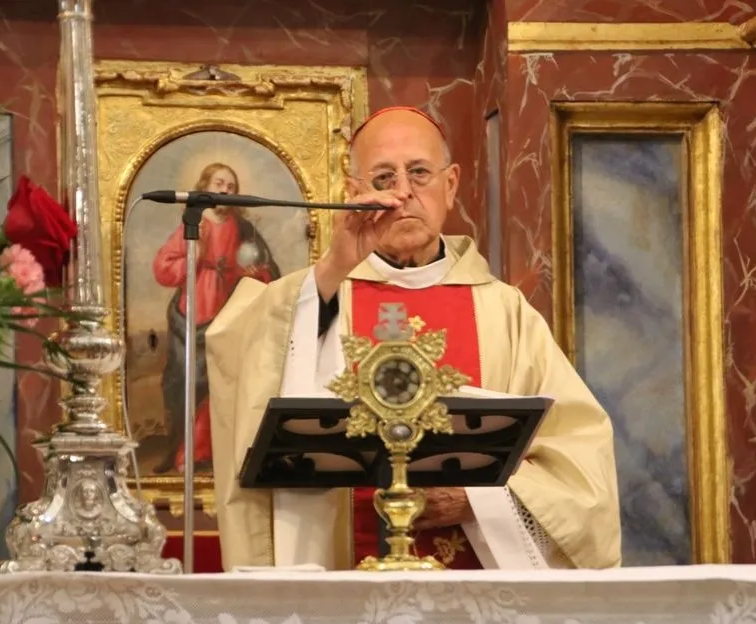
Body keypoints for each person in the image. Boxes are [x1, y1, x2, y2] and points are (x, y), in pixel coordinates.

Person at [204, 107, 621, 571]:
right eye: (383, 178)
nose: (403, 192)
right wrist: (330, 271)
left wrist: (479, 500)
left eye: (419, 172)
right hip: (343, 577)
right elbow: (240, 362)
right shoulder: (315, 295)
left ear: (451, 184)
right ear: (353, 193)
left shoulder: (505, 312)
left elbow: (579, 458)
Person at [151, 162, 280, 474]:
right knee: (184, 383)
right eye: (219, 184)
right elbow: (163, 267)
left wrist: (256, 274)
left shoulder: (244, 229)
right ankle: (180, 451)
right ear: (204, 187)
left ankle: (207, 452)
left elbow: (266, 269)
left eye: (231, 186)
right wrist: (191, 259)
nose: (225, 191)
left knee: (220, 386)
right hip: (189, 316)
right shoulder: (193, 225)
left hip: (229, 318)